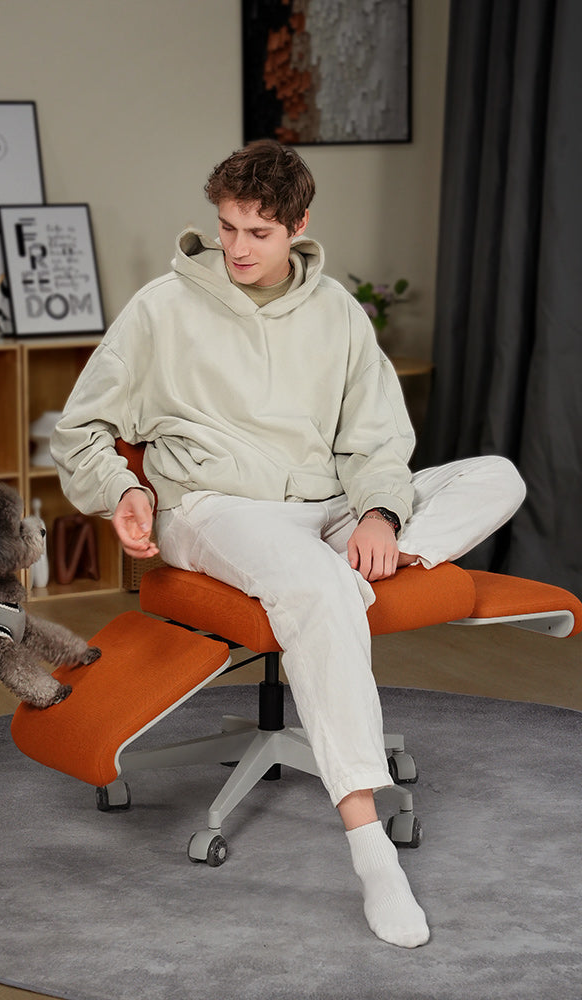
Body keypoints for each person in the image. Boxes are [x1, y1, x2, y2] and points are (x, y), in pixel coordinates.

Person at [51, 140, 526, 948]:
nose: (237, 247)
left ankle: (343, 574)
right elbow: (80, 431)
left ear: (299, 226)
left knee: (497, 477)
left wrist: (380, 514)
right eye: (228, 226)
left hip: (327, 506)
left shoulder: (337, 311)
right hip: (214, 508)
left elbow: (379, 440)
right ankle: (372, 849)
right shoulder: (162, 307)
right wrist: (123, 490)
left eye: (259, 232)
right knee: (318, 588)